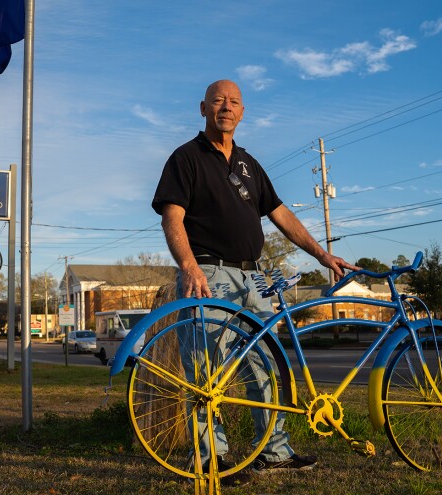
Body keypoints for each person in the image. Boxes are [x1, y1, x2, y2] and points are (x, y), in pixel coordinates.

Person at [152, 79, 359, 483]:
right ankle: (210, 458)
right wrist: (190, 267)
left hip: (254, 277)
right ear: (203, 108)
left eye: (233, 102)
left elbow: (280, 214)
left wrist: (321, 253)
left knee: (264, 365)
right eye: (217, 101)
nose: (225, 107)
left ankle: (274, 451)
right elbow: (171, 217)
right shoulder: (186, 158)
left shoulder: (248, 163)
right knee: (207, 371)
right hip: (209, 275)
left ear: (242, 112)